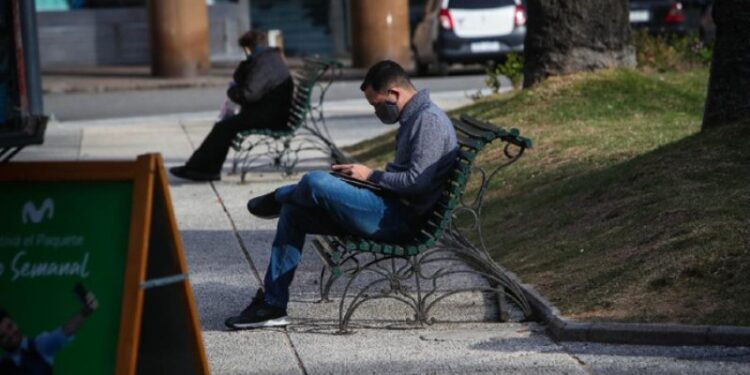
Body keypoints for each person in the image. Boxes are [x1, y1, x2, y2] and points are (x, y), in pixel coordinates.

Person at [224, 60, 458, 329]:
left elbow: (416, 182)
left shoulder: (428, 121)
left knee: (315, 181)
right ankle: (273, 304)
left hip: (400, 219)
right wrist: (363, 180)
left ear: (394, 94)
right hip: (388, 206)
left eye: (377, 104)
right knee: (294, 213)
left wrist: (369, 176)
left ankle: (279, 195)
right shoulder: (415, 117)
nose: (377, 111)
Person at [170, 29, 294, 181]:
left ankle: (203, 170)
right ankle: (200, 168)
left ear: (248, 48)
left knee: (223, 127)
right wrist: (245, 66)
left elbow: (248, 94)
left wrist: (232, 91)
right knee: (224, 127)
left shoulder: (263, 63)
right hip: (272, 112)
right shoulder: (269, 58)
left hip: (269, 116)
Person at [0, 290, 98, 375]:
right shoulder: (2, 365)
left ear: (15, 323)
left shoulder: (39, 346)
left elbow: (65, 331)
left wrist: (85, 311)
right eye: (2, 335)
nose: (10, 334)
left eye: (10, 326)